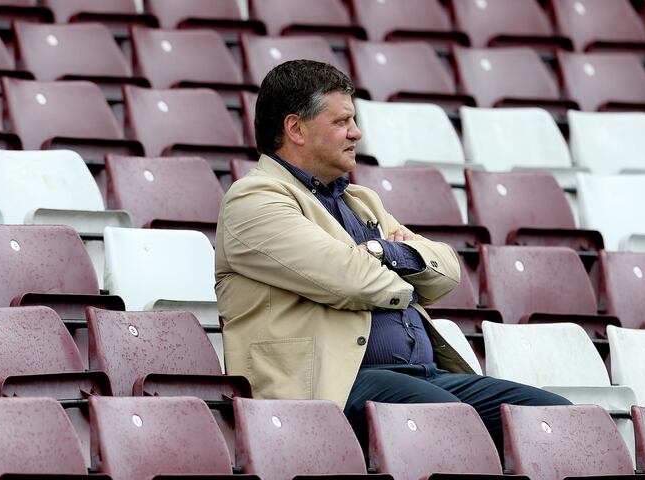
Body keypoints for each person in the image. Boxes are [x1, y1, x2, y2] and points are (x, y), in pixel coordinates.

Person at [214, 59, 570, 450]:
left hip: (421, 375)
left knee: (557, 419)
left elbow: (448, 272)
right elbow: (352, 280)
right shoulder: (254, 200)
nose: (356, 133)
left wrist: (382, 251)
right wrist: (401, 260)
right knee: (451, 423)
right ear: (295, 128)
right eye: (341, 122)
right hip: (328, 385)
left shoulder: (360, 199)